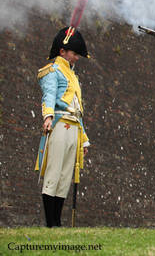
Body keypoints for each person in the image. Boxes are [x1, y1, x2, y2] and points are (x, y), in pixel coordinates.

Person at [36, 26, 90, 227]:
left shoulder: (73, 76)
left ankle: (57, 222)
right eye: (74, 53)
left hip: (74, 128)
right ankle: (50, 222)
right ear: (62, 52)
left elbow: (78, 110)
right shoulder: (53, 71)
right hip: (59, 124)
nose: (76, 57)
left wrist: (84, 138)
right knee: (54, 172)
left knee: (66, 175)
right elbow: (48, 95)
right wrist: (47, 116)